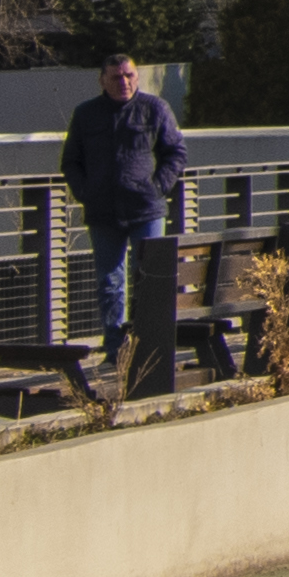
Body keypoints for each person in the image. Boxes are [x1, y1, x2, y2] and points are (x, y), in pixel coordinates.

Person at [64, 49, 192, 392]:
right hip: (103, 211)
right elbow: (71, 161)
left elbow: (175, 151)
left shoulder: (154, 109)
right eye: (117, 77)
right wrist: (85, 192)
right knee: (109, 281)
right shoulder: (86, 114)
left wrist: (158, 187)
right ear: (103, 80)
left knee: (148, 278)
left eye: (129, 75)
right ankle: (114, 348)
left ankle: (148, 345)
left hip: (146, 209)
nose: (124, 82)